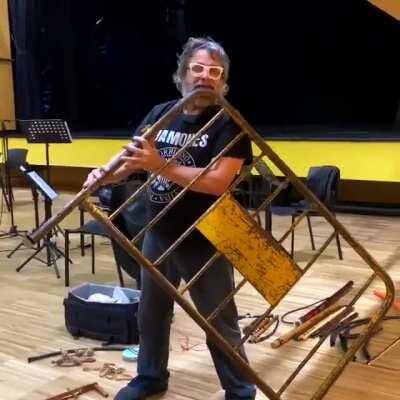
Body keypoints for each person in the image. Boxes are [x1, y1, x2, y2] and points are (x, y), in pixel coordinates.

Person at [84, 36, 256, 400]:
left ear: (223, 81)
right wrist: (105, 173)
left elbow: (216, 182)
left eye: (215, 71)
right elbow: (131, 160)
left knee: (218, 320)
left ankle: (240, 390)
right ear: (182, 75)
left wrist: (157, 164)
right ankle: (150, 378)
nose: (205, 76)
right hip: (159, 230)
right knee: (152, 313)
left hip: (205, 235)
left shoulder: (229, 123)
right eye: (198, 68)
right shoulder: (161, 113)